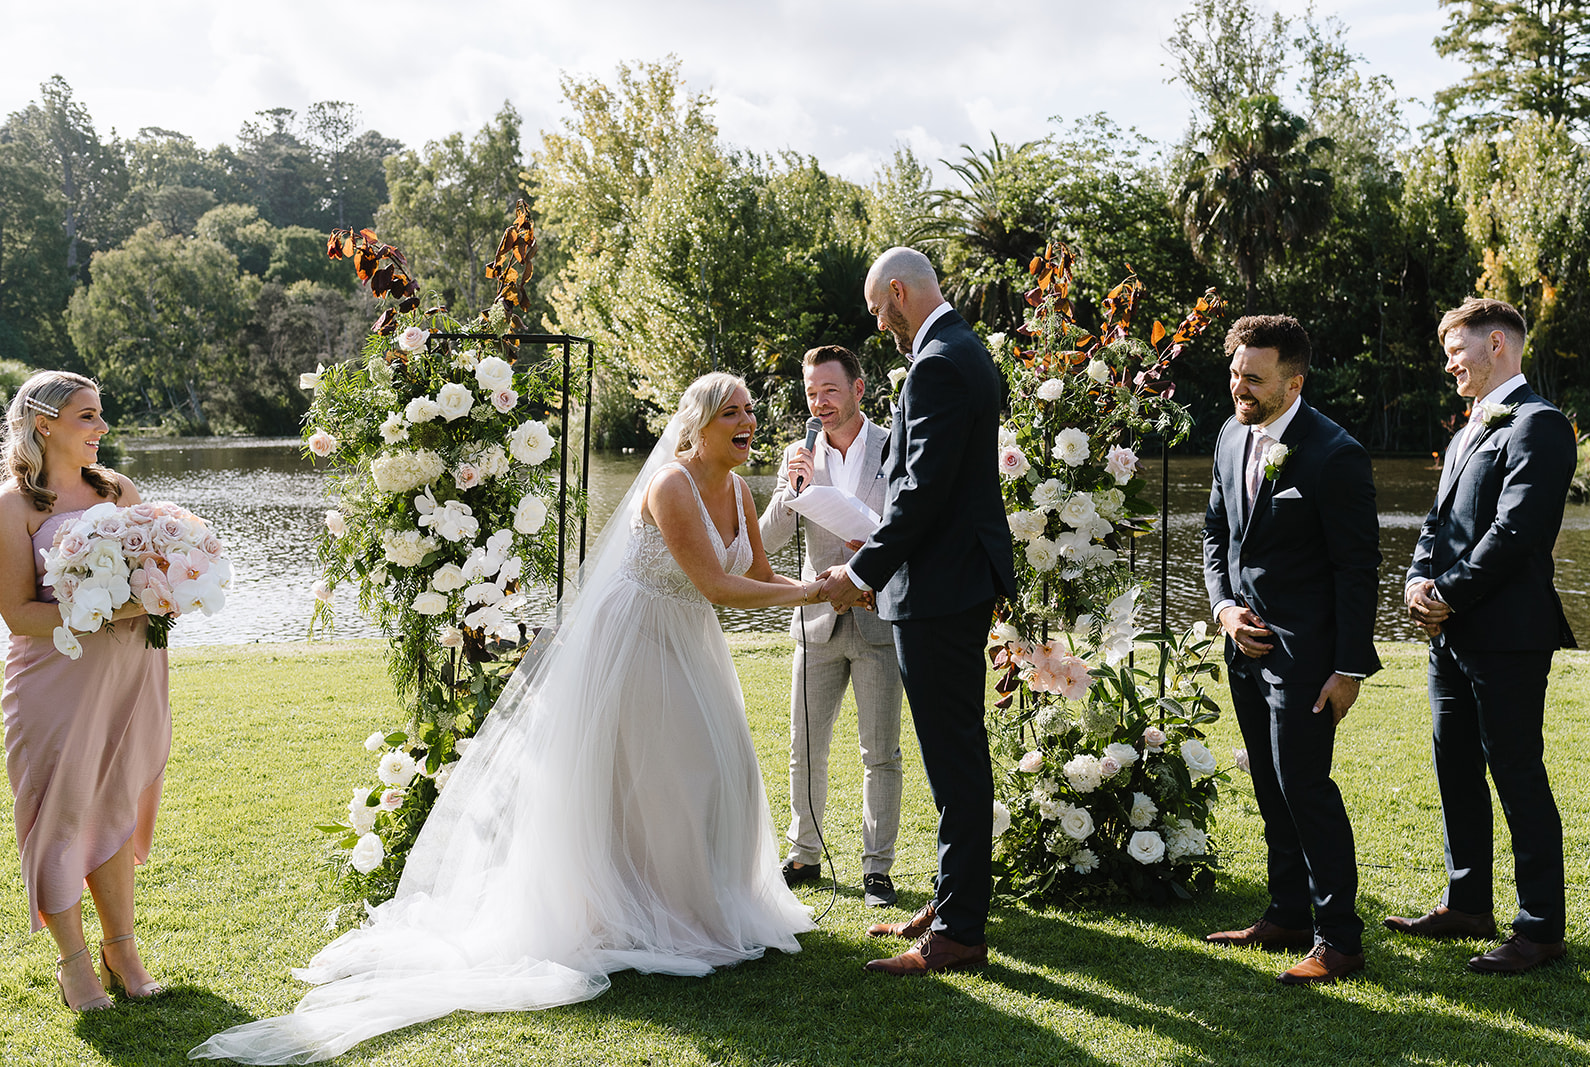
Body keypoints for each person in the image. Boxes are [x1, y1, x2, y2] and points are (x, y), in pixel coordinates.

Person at [193, 372, 827, 1064]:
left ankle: (702, 903)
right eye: (731, 411)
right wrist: (818, 590)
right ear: (697, 423)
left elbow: (759, 574)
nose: (748, 421)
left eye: (750, 411)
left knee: (715, 769)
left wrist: (824, 587)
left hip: (690, 641)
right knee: (668, 773)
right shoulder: (671, 484)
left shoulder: (737, 488)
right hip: (637, 639)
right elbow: (718, 584)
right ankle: (653, 912)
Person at [816, 247, 1015, 976]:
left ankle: (959, 930)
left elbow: (921, 493)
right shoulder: (961, 349)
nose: (879, 323)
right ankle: (951, 896)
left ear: (898, 292)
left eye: (878, 309)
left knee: (954, 755)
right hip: (949, 579)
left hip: (941, 586)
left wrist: (863, 568)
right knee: (949, 752)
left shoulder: (939, 360)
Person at [1389, 298, 1575, 974]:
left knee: (1517, 772)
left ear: (1497, 343)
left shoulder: (1541, 425)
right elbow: (1437, 523)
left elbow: (1517, 531)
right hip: (1451, 635)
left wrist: (1447, 592)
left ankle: (1540, 929)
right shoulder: (1470, 425)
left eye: (1455, 350)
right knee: (1454, 765)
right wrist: (1417, 580)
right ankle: (1467, 901)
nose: (1448, 364)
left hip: (1509, 635)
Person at [1200, 315, 1381, 986]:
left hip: (1307, 656)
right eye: (1235, 373)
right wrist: (1223, 609)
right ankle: (1285, 911)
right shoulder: (1226, 435)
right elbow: (1216, 534)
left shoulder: (1335, 454)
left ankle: (1339, 939)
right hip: (1243, 646)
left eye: (1254, 377)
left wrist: (1349, 666)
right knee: (1271, 787)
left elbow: (1358, 569)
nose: (1239, 387)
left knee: (1306, 788)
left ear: (1293, 381)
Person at [0, 371, 170, 1011]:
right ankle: (74, 963)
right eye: (87, 417)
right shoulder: (12, 508)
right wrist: (109, 609)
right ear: (44, 424)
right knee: (61, 814)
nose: (102, 429)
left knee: (116, 809)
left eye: (101, 417)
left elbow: (154, 570)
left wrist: (168, 591)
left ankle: (122, 948)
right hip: (54, 682)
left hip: (130, 670)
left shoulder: (118, 490)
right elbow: (18, 614)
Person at [758, 345, 904, 908]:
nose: (819, 402)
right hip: (814, 619)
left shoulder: (896, 446)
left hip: (876, 617)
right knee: (806, 746)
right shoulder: (799, 454)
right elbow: (765, 540)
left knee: (880, 752)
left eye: (830, 390)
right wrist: (791, 492)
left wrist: (869, 553)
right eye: (812, 392)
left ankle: (877, 868)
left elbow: (910, 528)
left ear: (859, 390)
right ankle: (804, 854)